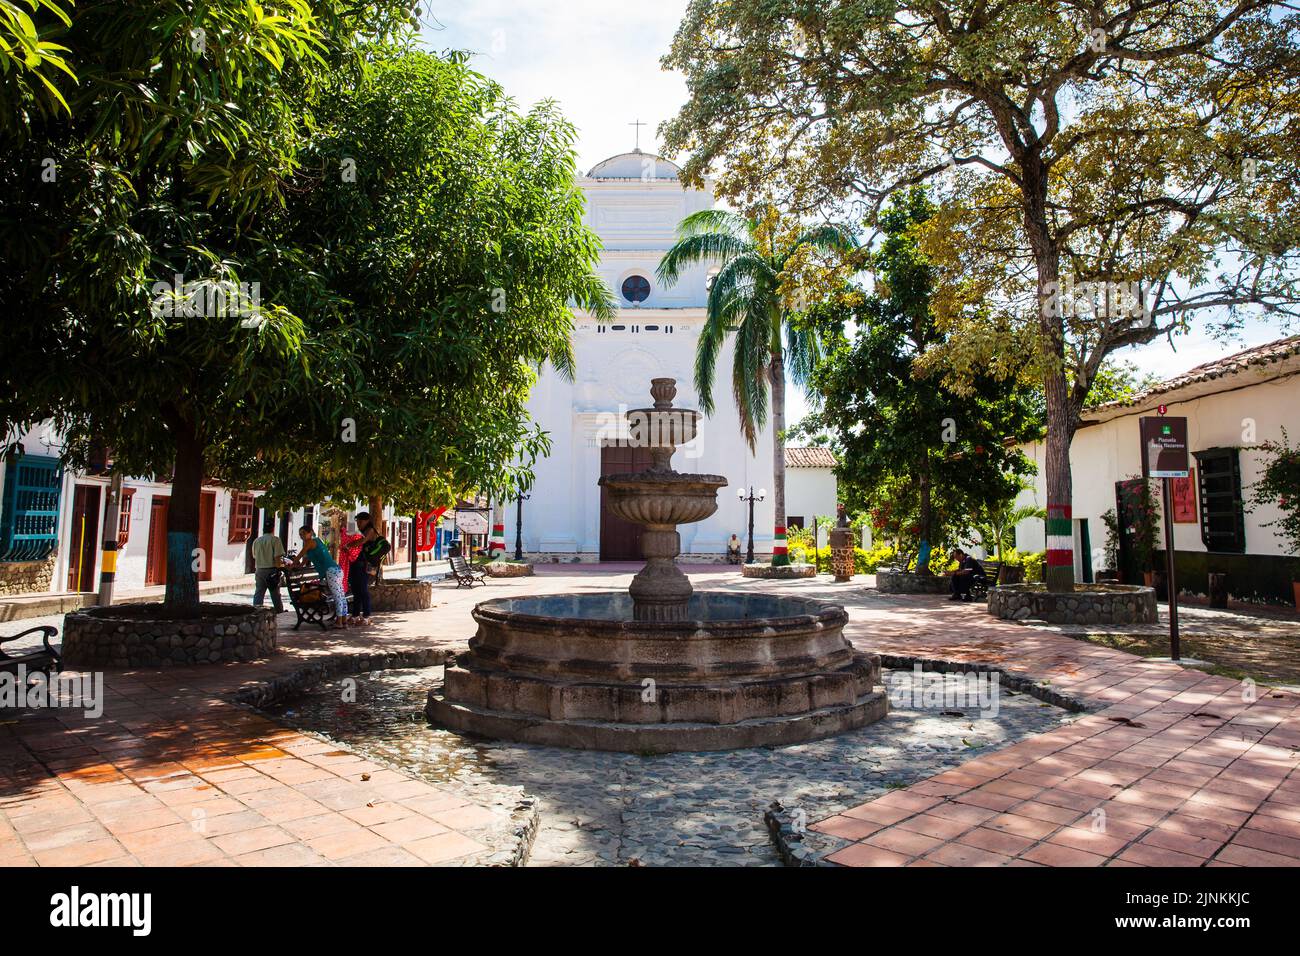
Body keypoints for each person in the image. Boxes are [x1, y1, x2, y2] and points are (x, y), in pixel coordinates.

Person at [292, 525, 351, 627]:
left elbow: (301, 554)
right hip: (335, 570)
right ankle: (343, 620)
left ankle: (339, 622)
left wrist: (291, 565)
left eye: (304, 533)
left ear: (310, 532)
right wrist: (298, 566)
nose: (302, 536)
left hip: (331, 571)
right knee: (341, 596)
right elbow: (305, 559)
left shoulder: (310, 542)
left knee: (338, 596)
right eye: (300, 534)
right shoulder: (315, 542)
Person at [251, 518, 286, 613]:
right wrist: (280, 568)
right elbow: (277, 557)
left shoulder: (257, 541)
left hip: (259, 569)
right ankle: (279, 611)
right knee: (275, 594)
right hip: (271, 570)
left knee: (259, 592)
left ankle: (256, 611)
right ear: (273, 529)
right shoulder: (275, 540)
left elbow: (254, 556)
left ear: (263, 529)